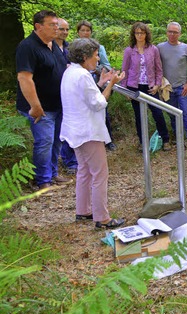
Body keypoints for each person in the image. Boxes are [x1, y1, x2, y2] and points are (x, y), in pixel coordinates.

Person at [60, 38, 126, 228]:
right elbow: (98, 103)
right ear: (84, 56)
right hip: (87, 131)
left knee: (85, 171)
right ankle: (102, 218)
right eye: (96, 55)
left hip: (75, 130)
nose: (98, 59)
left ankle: (83, 211)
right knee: (99, 173)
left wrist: (101, 82)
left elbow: (86, 96)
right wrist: (111, 84)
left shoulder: (71, 72)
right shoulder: (81, 75)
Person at [16, 10, 73, 190]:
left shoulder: (53, 44)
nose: (56, 28)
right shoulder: (28, 47)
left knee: (56, 140)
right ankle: (43, 181)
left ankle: (53, 173)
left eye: (57, 25)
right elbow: (24, 78)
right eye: (52, 25)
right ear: (38, 27)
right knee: (44, 142)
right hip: (39, 107)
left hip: (57, 104)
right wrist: (35, 106)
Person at [122, 22, 170, 150]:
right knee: (139, 116)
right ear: (134, 34)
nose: (139, 35)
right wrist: (125, 89)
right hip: (134, 87)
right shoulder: (129, 50)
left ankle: (165, 140)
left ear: (146, 34)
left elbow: (159, 69)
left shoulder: (153, 49)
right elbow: (124, 70)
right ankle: (142, 142)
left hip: (150, 86)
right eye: (137, 33)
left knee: (158, 113)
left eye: (142, 32)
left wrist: (157, 84)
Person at [76, 19, 117, 152]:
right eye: (83, 30)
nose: (85, 33)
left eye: (88, 30)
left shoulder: (99, 47)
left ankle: (108, 140)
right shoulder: (73, 47)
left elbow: (106, 65)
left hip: (96, 81)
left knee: (102, 109)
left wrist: (96, 69)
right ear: (78, 32)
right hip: (80, 83)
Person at [158, 22, 187, 151]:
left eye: (175, 32)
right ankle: (178, 137)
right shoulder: (160, 47)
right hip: (167, 88)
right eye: (170, 31)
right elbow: (156, 66)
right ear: (166, 32)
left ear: (179, 34)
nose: (172, 34)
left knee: (186, 112)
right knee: (172, 113)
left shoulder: (186, 48)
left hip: (182, 87)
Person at [54, 18, 78, 176]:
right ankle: (56, 165)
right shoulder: (49, 47)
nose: (65, 32)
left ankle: (72, 161)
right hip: (54, 93)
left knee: (70, 127)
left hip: (70, 94)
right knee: (57, 131)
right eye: (62, 29)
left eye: (67, 29)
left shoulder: (69, 48)